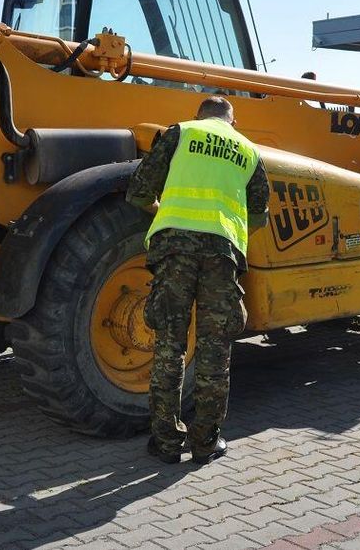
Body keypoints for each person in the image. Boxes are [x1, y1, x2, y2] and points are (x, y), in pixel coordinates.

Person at [126, 96, 270, 465]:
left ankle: (166, 442)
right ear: (232, 122)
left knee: (169, 346)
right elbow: (258, 216)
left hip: (174, 251)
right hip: (223, 255)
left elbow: (139, 191)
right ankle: (205, 444)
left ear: (198, 116)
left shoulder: (180, 134)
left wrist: (164, 213)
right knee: (215, 349)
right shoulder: (248, 151)